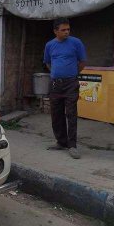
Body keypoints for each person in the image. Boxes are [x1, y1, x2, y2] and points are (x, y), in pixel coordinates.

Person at [43, 18, 87, 159]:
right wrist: (57, 74)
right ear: (55, 31)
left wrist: (72, 74)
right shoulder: (50, 45)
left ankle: (72, 145)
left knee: (71, 113)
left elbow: (82, 62)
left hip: (71, 83)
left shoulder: (76, 43)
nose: (66, 32)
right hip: (56, 84)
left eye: (68, 29)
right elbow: (48, 63)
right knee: (56, 114)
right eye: (63, 30)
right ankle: (61, 142)